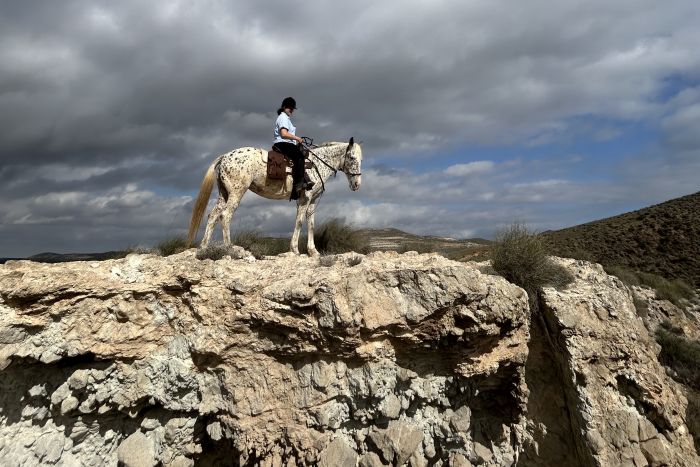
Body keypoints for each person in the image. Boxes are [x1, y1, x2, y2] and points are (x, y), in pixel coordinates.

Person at [273, 97, 312, 200]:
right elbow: (284, 134)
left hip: (286, 143)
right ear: (284, 107)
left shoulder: (285, 118)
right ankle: (298, 185)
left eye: (293, 108)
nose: (292, 110)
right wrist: (297, 138)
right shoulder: (283, 117)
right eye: (290, 108)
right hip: (282, 143)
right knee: (299, 157)